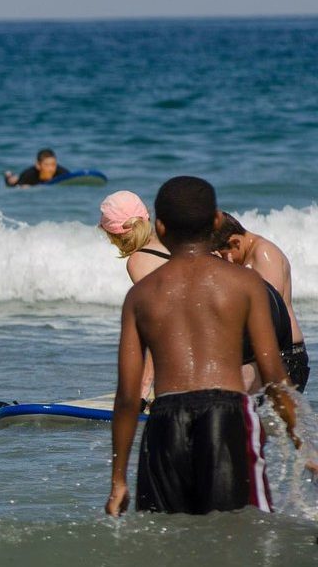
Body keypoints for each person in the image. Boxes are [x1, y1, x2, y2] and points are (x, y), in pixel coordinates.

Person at [105, 176, 299, 517]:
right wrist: (300, 440)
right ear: (216, 222)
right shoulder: (245, 283)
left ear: (160, 227)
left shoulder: (140, 295)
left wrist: (118, 480)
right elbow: (273, 374)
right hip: (227, 416)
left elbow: (127, 395)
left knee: (167, 535)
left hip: (164, 422)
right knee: (242, 531)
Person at [212, 212, 310, 393]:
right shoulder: (249, 256)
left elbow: (270, 310)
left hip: (286, 357)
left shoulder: (264, 253)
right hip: (268, 356)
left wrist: (229, 270)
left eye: (223, 254)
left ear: (235, 243)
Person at [99, 190, 170, 401]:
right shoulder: (172, 240)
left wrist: (144, 387)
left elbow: (161, 326)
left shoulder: (138, 261)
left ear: (114, 236)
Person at [4, 149, 69, 187]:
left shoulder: (62, 172)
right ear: (38, 165)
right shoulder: (28, 175)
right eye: (47, 165)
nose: (51, 169)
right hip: (26, 179)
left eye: (53, 164)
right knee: (11, 183)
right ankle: (9, 175)